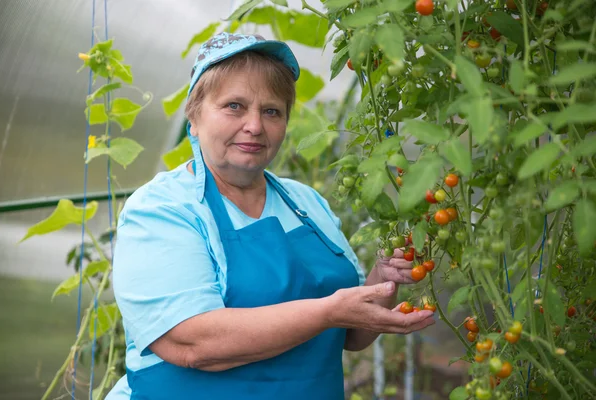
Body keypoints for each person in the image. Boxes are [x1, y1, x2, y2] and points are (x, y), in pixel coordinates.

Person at [105, 32, 435, 400]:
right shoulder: (162, 209)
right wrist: (327, 312)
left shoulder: (306, 203)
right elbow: (193, 343)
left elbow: (351, 333)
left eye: (271, 111)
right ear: (194, 116)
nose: (255, 126)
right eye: (234, 106)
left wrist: (383, 279)